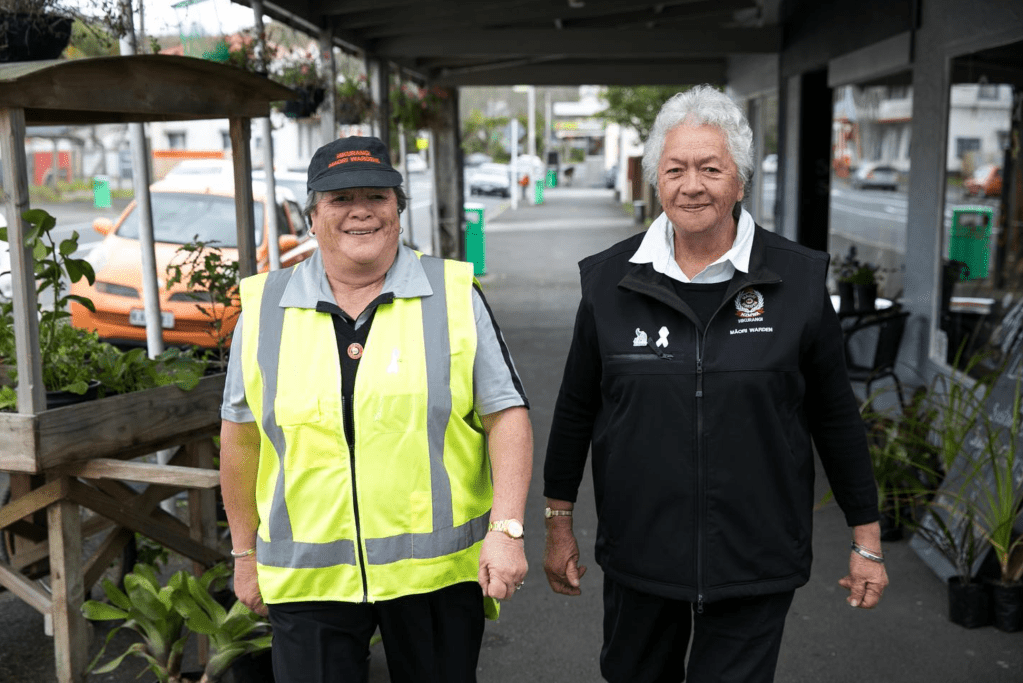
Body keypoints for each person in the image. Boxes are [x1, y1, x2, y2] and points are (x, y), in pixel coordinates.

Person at [542, 86, 888, 683]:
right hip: (640, 554)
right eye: (675, 169)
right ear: (656, 180)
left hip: (756, 555)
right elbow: (576, 409)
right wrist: (557, 524)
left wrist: (867, 539)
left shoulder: (798, 280)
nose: (691, 185)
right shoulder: (608, 283)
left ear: (741, 182)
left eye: (710, 168)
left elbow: (835, 416)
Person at [220, 136, 532, 683]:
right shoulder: (264, 306)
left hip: (435, 576)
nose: (360, 210)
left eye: (377, 196)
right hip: (309, 577)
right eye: (340, 199)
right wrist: (244, 554)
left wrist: (506, 530)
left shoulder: (453, 294)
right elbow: (240, 436)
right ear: (312, 217)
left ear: (398, 212)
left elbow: (505, 414)